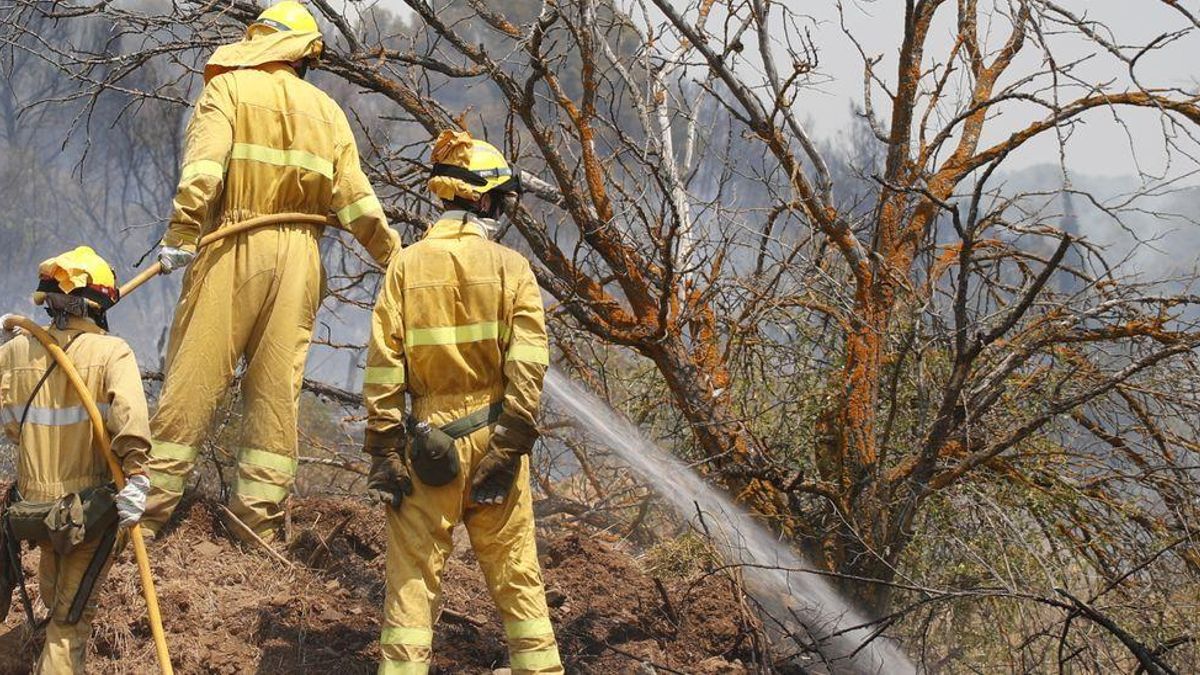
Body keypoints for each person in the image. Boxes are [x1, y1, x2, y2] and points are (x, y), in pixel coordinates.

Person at [142, 0, 400, 543]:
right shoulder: (328, 112)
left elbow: (203, 173)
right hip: (301, 259)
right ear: (305, 56)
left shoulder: (228, 91)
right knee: (275, 393)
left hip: (232, 245)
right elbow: (358, 206)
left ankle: (142, 522)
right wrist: (397, 261)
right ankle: (255, 528)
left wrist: (181, 236)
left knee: (193, 383)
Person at [362, 130, 561, 675]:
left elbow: (383, 367)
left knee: (411, 579)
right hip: (496, 432)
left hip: (429, 442)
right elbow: (528, 364)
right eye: (496, 197)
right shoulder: (511, 268)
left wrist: (384, 445)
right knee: (516, 572)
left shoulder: (403, 267)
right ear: (480, 199)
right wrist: (512, 441)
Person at [0, 247, 151, 673]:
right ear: (100, 302)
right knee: (69, 625)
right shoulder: (112, 353)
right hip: (87, 514)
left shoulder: (15, 352)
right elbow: (131, 422)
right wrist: (137, 476)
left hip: (34, 512)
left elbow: (12, 428)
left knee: (57, 595)